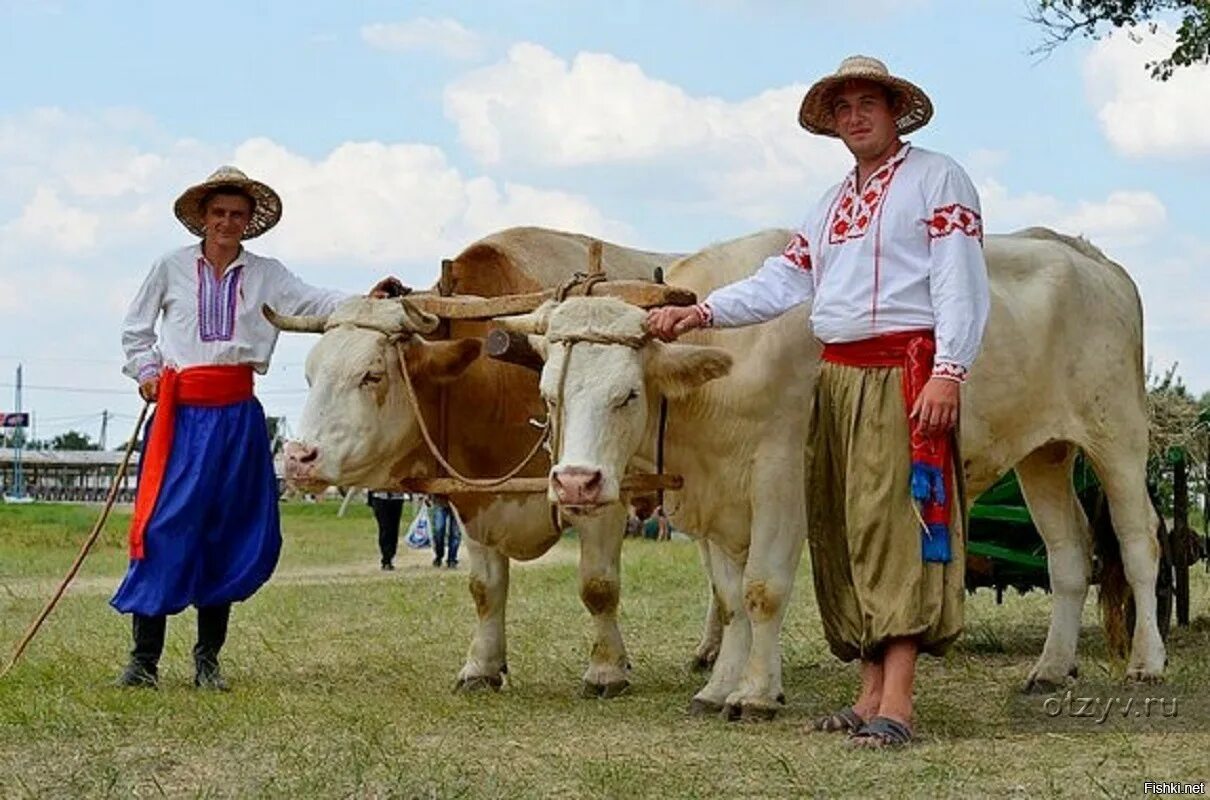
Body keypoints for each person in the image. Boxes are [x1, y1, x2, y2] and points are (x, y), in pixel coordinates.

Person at [647, 56, 990, 748]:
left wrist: (948, 371)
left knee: (897, 530)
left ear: (896, 112)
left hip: (904, 372)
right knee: (842, 531)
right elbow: (782, 281)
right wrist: (701, 312)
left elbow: (959, 280)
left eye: (869, 103)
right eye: (843, 108)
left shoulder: (937, 179)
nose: (856, 116)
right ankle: (866, 697)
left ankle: (900, 702)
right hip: (833, 378)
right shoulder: (830, 203)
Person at [114, 165, 401, 690]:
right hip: (180, 416)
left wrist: (367, 299)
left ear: (250, 223)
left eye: (237, 215)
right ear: (203, 216)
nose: (227, 222)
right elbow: (136, 331)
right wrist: (149, 372)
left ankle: (208, 663)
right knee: (163, 527)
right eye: (219, 213)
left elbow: (316, 300)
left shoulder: (267, 273)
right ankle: (143, 661)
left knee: (227, 528)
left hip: (238, 416)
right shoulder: (170, 267)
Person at [367, 490, 407, 570]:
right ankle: (386, 558)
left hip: (396, 498)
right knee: (384, 527)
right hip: (379, 497)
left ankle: (390, 555)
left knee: (393, 528)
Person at [428, 494, 461, 568]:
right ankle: (439, 555)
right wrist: (428, 495)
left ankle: (452, 559)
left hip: (458, 502)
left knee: (455, 533)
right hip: (440, 500)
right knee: (438, 530)